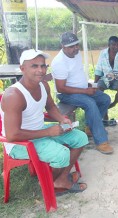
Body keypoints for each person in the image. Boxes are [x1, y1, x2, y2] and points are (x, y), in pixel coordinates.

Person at [0, 49, 88, 195]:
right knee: (61, 154)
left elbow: (51, 107)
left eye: (43, 66)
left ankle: (59, 180)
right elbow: (12, 135)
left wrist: (62, 119)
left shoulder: (43, 85)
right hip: (19, 143)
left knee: (80, 137)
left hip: (39, 131)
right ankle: (47, 185)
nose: (40, 70)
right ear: (22, 69)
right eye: (34, 66)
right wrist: (48, 132)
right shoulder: (14, 95)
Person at [51, 32, 113, 155]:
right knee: (90, 103)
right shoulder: (59, 62)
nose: (76, 48)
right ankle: (101, 141)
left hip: (81, 89)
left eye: (76, 45)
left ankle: (90, 127)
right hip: (66, 94)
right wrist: (84, 91)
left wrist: (86, 85)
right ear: (63, 46)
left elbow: (77, 72)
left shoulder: (76, 54)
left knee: (105, 99)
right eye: (71, 46)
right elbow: (61, 88)